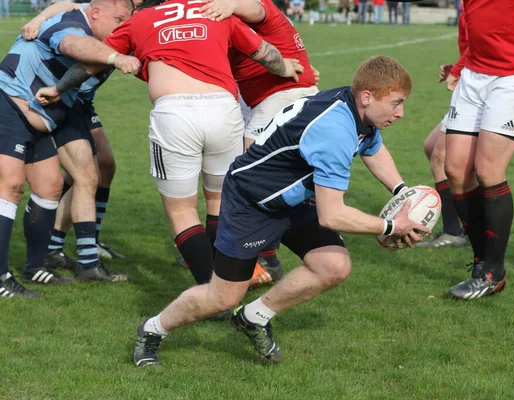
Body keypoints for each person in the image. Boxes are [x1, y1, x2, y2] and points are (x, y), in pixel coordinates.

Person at [127, 55, 430, 367]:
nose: (401, 113)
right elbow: (332, 215)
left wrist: (402, 192)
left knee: (333, 266)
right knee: (222, 298)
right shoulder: (334, 130)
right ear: (367, 97)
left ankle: (254, 317)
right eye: (396, 103)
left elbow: (372, 148)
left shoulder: (357, 112)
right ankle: (152, 330)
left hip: (294, 199)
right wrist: (392, 226)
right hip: (251, 203)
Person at [36, 0, 303, 290]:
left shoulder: (141, 19)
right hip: (223, 109)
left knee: (181, 211)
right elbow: (263, 51)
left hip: (175, 112)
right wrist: (286, 65)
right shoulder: (212, 10)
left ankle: (212, 292)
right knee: (218, 202)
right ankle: (224, 280)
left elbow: (90, 62)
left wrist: (57, 88)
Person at [0, 0, 138, 295]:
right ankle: (1, 277)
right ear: (97, 12)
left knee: (50, 186)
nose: (123, 24)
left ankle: (36, 267)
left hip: (47, 117)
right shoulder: (69, 25)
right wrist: (115, 57)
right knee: (11, 186)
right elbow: (74, 43)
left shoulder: (105, 25)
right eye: (119, 18)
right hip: (10, 102)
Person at [201, 0, 318, 287]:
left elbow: (258, 8)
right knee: (250, 179)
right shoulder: (231, 24)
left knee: (247, 177)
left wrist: (230, 5)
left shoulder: (254, 9)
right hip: (263, 99)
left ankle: (257, 256)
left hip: (282, 97)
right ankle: (259, 254)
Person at [444, 0, 514, 299]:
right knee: (455, 169)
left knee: (488, 169)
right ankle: (480, 263)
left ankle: (494, 271)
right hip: (475, 74)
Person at [416, 10, 467, 249]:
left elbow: (486, 46)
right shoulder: (468, 7)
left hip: (479, 89)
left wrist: (459, 70)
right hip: (471, 84)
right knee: (431, 147)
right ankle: (467, 222)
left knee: (441, 158)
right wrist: (458, 68)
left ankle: (453, 231)